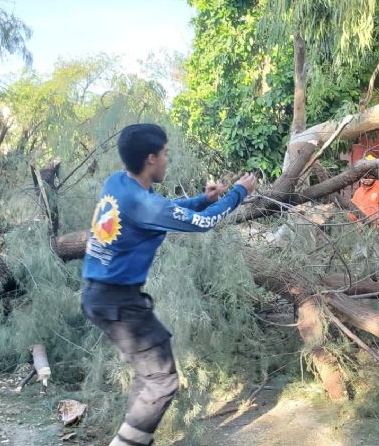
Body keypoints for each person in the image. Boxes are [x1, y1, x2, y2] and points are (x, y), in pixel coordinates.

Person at [80, 123, 257, 446]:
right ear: (150, 159)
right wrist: (239, 192)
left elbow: (168, 212)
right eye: (165, 154)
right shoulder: (144, 204)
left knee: (150, 377)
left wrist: (202, 199)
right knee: (161, 381)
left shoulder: (118, 183)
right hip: (119, 303)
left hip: (100, 296)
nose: (166, 160)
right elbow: (202, 224)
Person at [348, 158, 379, 280]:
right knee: (357, 260)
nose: (366, 180)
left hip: (377, 233)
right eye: (364, 178)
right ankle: (357, 283)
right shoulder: (359, 192)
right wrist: (356, 222)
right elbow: (352, 212)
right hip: (362, 233)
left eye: (370, 177)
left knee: (378, 262)